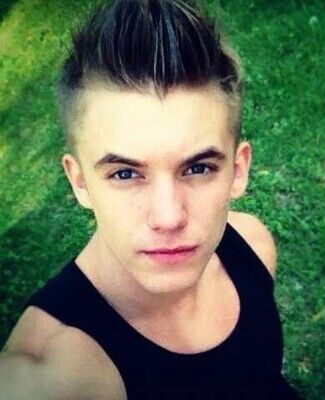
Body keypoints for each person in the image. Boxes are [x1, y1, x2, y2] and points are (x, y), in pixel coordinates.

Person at [0, 0, 302, 398]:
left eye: (198, 168)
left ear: (238, 169)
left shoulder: (254, 246)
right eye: (125, 174)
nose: (168, 216)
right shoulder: (58, 374)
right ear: (80, 182)